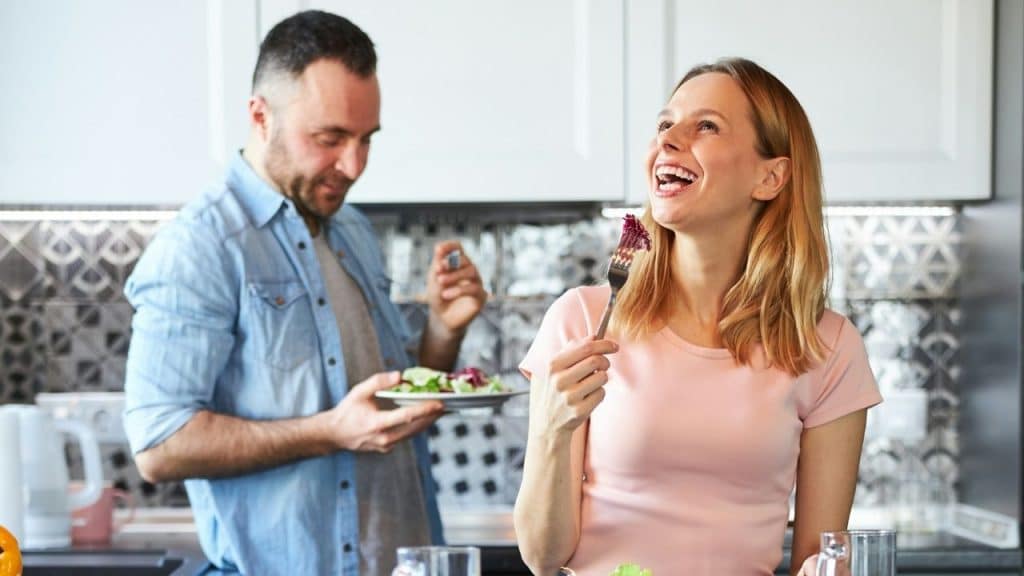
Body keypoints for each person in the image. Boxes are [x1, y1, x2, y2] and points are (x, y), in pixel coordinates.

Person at [122, 10, 487, 575]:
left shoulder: (353, 232)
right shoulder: (202, 246)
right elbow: (158, 444)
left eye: (367, 139)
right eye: (330, 138)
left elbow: (384, 411)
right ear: (260, 116)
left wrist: (443, 329)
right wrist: (327, 433)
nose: (354, 164)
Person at [513, 58, 882, 576]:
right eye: (665, 124)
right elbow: (540, 556)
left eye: (705, 126)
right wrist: (553, 430)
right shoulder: (583, 320)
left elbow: (819, 561)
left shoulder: (825, 345)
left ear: (770, 176)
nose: (668, 140)